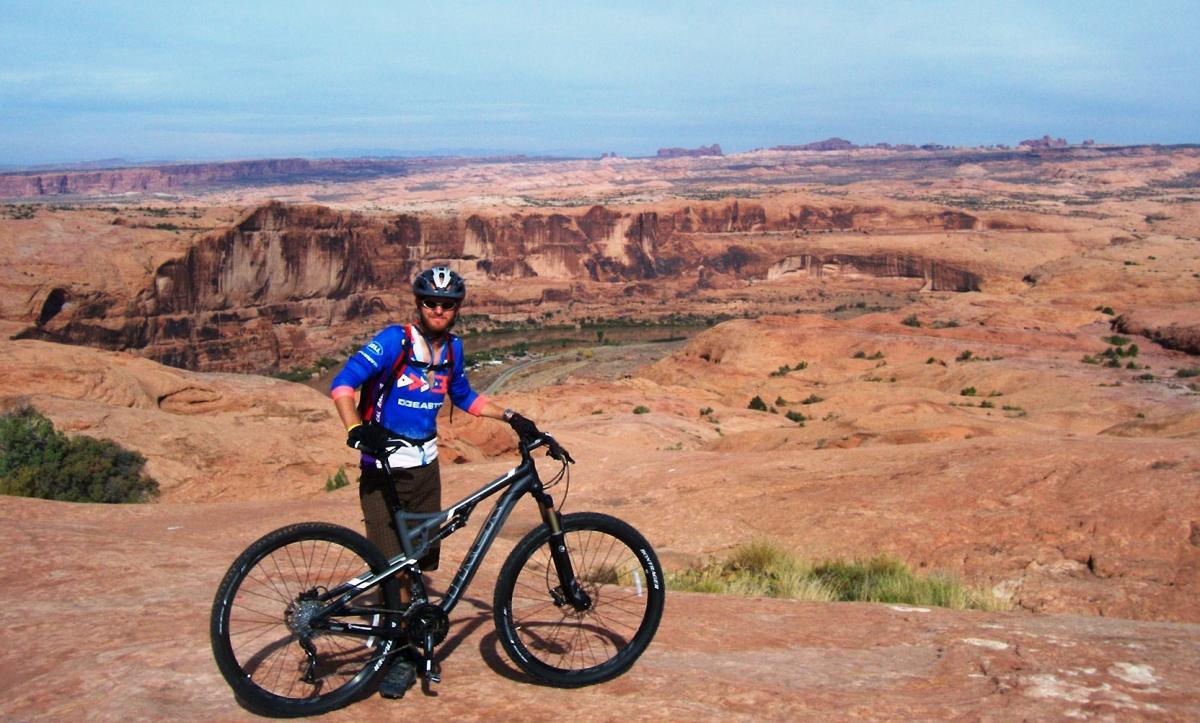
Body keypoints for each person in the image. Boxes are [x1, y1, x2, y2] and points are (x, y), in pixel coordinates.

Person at [329, 265, 540, 698]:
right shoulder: (394, 341)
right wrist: (355, 430)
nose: (439, 310)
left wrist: (511, 417)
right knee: (396, 568)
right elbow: (343, 384)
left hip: (425, 468)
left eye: (447, 304)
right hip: (384, 468)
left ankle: (405, 633)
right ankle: (400, 655)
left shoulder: (453, 351)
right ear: (418, 304)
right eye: (431, 302)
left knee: (419, 561)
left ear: (457, 309)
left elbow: (463, 395)